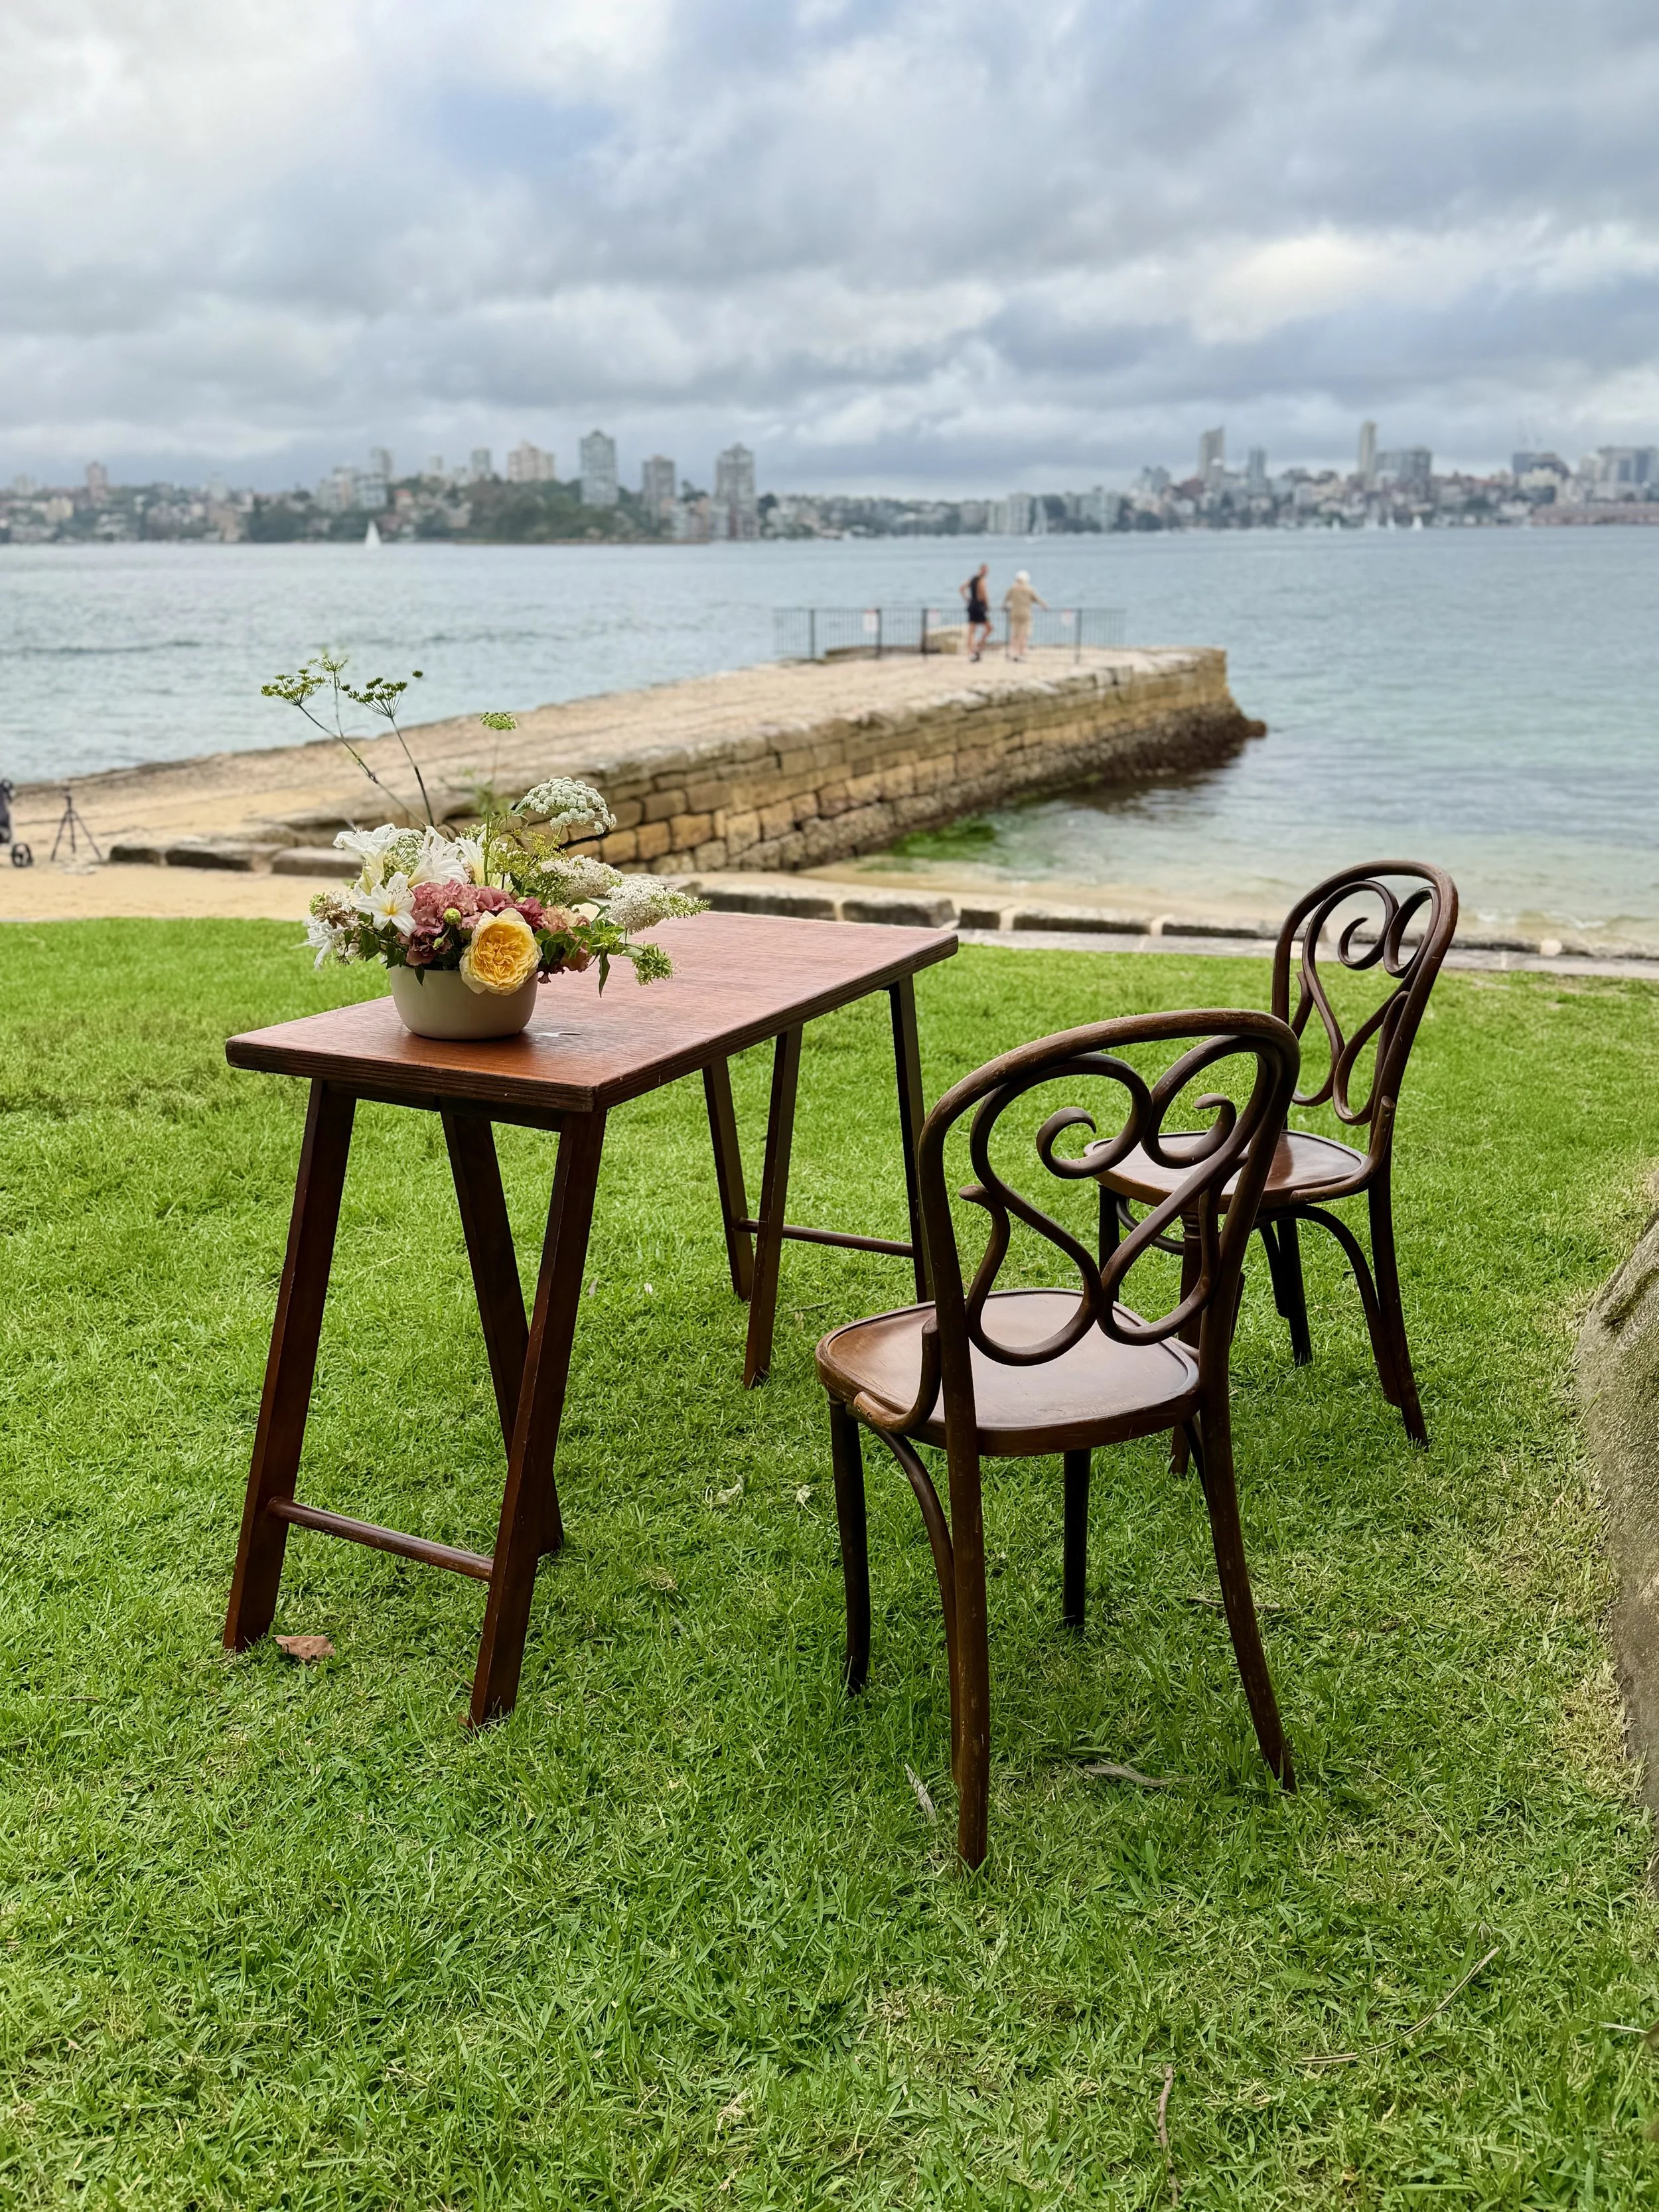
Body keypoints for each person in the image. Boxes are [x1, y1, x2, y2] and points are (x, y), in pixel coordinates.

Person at [1002, 569, 1046, 661]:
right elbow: (1037, 600)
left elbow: (1006, 600)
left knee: (1014, 634)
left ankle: (1012, 653)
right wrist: (1044, 606)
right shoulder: (1029, 589)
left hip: (1014, 613)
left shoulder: (1012, 589)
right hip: (1025, 614)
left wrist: (1004, 607)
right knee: (1023, 635)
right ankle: (1021, 653)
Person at [960, 562, 992, 661]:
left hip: (972, 605)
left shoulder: (973, 579)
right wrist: (987, 605)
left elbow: (962, 588)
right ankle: (978, 645)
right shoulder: (981, 580)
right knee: (989, 628)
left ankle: (972, 650)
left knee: (972, 630)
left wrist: (967, 599)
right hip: (979, 606)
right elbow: (983, 594)